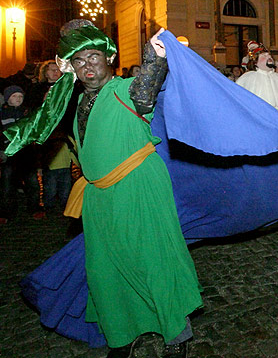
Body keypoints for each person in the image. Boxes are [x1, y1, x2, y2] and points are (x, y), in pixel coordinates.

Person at [3, 21, 202, 357]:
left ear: (109, 56)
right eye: (78, 62)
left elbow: (146, 90)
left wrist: (154, 57)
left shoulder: (125, 89)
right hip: (98, 196)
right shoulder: (77, 101)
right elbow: (46, 114)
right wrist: (62, 77)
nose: (87, 66)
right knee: (104, 269)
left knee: (153, 260)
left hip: (138, 187)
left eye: (93, 57)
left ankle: (176, 334)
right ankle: (121, 334)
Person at [1, 85, 44, 222]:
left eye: (20, 96)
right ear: (8, 99)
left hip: (26, 155)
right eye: (14, 96)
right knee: (7, 185)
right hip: (9, 155)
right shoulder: (2, 114)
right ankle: (6, 211)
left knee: (32, 183)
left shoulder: (27, 112)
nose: (18, 99)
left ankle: (34, 208)